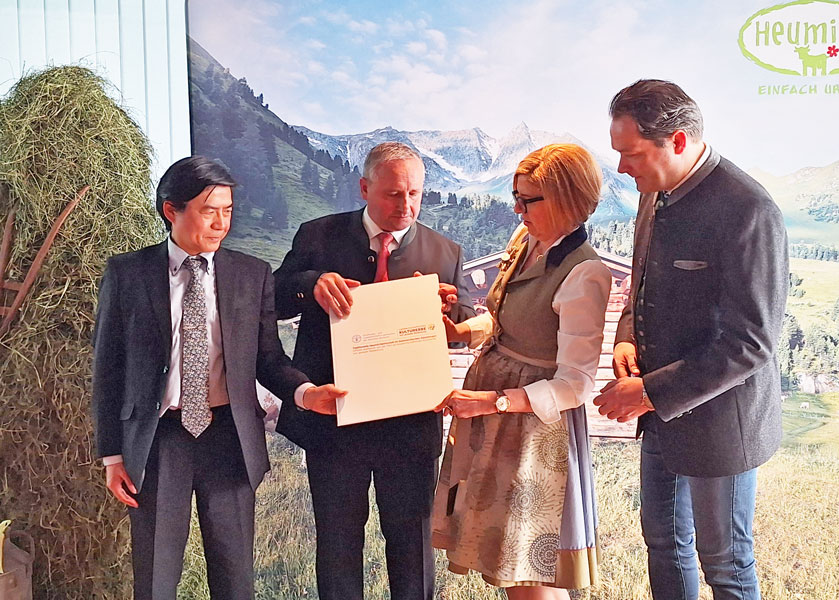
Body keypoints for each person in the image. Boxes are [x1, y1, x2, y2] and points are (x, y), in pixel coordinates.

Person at [92, 156, 343, 600]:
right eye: (210, 211)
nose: (221, 223)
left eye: (228, 210)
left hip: (228, 438)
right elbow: (108, 368)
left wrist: (305, 393)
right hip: (159, 439)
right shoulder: (127, 273)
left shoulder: (252, 274)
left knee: (234, 581)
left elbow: (268, 359)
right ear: (172, 210)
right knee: (154, 581)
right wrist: (112, 455)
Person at [594, 79, 788, 600]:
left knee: (724, 562)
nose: (620, 168)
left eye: (630, 153)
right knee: (662, 541)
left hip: (722, 424)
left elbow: (751, 341)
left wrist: (650, 392)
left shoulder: (749, 210)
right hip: (659, 414)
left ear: (678, 141)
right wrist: (626, 336)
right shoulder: (653, 192)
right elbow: (640, 281)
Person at [273, 142, 474, 600]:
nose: (406, 206)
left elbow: (461, 324)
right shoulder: (316, 236)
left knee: (412, 552)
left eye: (415, 195)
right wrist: (311, 284)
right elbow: (273, 298)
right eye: (393, 195)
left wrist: (450, 315)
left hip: (410, 430)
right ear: (364, 188)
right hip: (334, 422)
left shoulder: (446, 251)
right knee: (338, 547)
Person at [432, 144, 611, 599]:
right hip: (496, 417)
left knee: (529, 575)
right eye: (517, 196)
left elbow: (576, 383)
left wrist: (495, 402)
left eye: (529, 199)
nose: (517, 208)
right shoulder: (526, 239)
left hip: (532, 433)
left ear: (568, 199)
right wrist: (460, 329)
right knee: (507, 568)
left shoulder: (585, 273)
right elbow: (503, 318)